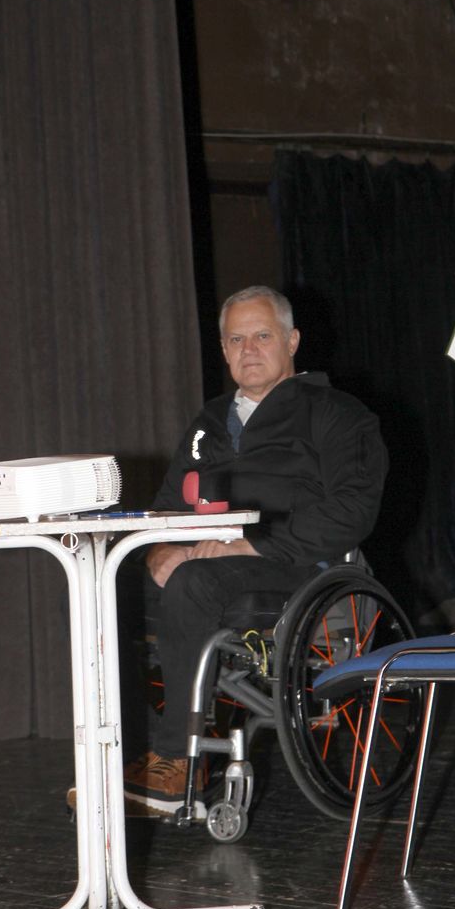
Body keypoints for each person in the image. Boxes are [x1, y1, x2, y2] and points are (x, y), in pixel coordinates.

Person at [123, 285, 388, 816]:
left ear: (292, 341)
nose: (248, 350)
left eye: (262, 336)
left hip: (298, 568)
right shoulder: (209, 423)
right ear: (223, 350)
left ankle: (179, 761)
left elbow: (353, 509)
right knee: (97, 586)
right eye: (236, 339)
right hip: (209, 568)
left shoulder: (335, 412)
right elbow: (167, 507)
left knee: (193, 582)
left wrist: (248, 544)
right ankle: (134, 747)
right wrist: (159, 552)